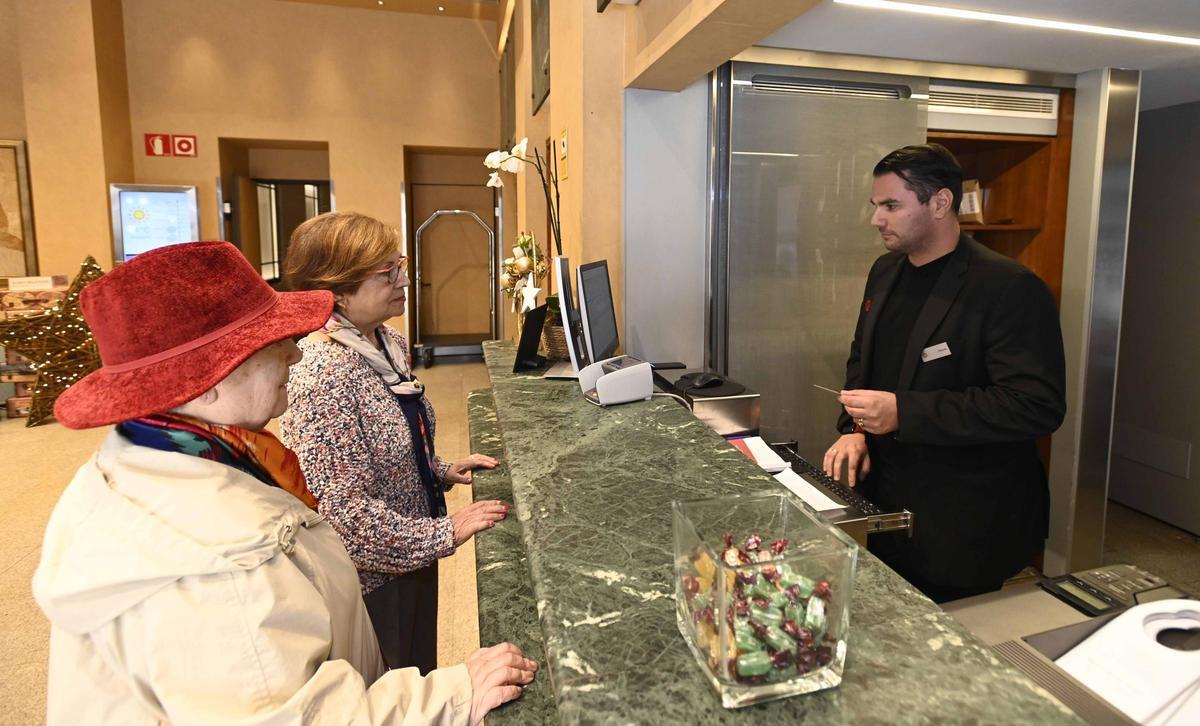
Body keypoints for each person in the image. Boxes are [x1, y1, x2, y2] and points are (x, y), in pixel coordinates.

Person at [34, 241, 536, 724]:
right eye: (272, 343)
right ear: (206, 382)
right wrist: (454, 694)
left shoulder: (186, 457)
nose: (294, 358)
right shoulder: (219, 568)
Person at [822, 144, 1067, 603]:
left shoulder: (1008, 286)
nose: (876, 219)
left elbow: (1035, 406)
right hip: (884, 503)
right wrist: (856, 429)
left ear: (939, 202)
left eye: (891, 205)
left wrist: (904, 412)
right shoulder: (885, 271)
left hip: (962, 521)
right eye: (876, 205)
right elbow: (862, 361)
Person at [280, 212, 506, 673]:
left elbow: (392, 436)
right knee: (398, 689)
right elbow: (346, 519)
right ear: (335, 290)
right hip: (374, 582)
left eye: (399, 266)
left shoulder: (387, 342)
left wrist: (439, 469)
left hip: (413, 549)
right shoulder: (321, 376)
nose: (404, 279)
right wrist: (447, 531)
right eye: (388, 273)